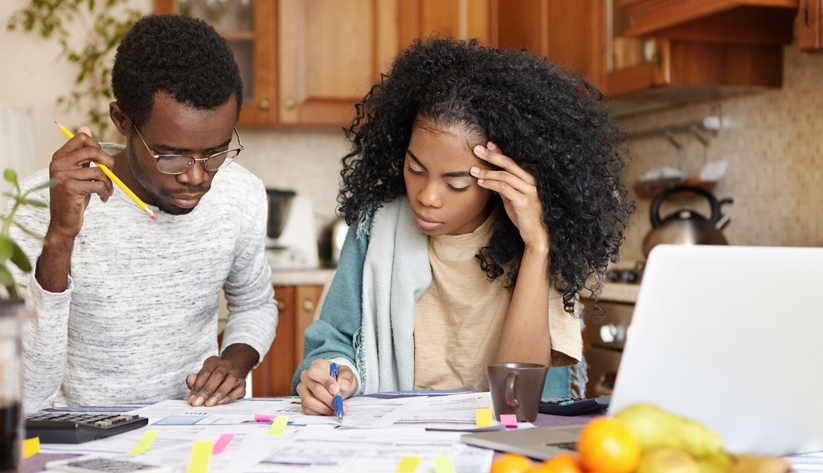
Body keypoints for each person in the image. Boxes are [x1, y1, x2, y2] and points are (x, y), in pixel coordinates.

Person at [294, 37, 633, 416]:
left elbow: (517, 401)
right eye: (415, 168)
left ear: (502, 175)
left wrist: (538, 247)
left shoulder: (538, 241)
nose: (428, 196)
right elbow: (335, 341)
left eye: (456, 183)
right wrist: (333, 373)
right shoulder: (375, 229)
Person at [9, 14, 278, 413]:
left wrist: (233, 364)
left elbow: (255, 303)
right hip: (80, 444)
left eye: (216, 151)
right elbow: (25, 392)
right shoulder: (38, 205)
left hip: (193, 435)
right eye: (172, 155)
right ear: (122, 122)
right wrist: (61, 235)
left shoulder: (240, 194)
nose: (198, 177)